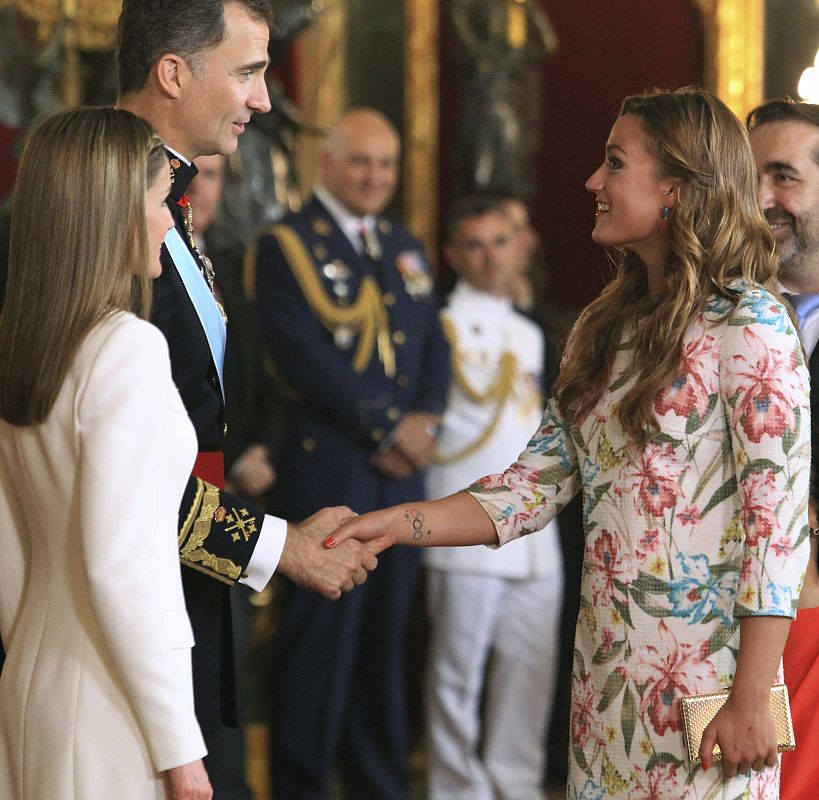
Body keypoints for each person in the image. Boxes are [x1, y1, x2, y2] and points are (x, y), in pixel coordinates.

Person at [326, 87, 811, 799]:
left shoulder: (753, 323)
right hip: (605, 693)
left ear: (673, 188)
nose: (592, 182)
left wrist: (749, 698)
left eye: (613, 163)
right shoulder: (602, 328)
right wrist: (392, 525)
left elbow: (777, 529)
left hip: (710, 700)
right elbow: (527, 489)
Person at [116, 3, 376, 796]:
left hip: (189, 584)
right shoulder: (108, 213)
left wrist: (278, 537)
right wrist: (280, 548)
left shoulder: (173, 201)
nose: (263, 101)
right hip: (132, 611)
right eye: (249, 72)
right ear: (173, 73)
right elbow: (125, 478)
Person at [0, 107, 210, 800]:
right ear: (112, 211)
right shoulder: (125, 347)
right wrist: (179, 747)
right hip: (113, 706)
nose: (167, 222)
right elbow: (124, 568)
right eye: (158, 201)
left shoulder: (20, 344)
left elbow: (8, 551)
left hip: (32, 682)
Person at [252, 107, 451, 799]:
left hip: (401, 483)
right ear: (326, 164)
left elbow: (433, 342)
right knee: (318, 652)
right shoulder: (285, 244)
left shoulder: (403, 243)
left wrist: (426, 418)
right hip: (329, 473)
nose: (374, 177)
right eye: (360, 162)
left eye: (385, 164)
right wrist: (389, 428)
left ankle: (379, 786)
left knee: (385, 649)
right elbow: (298, 354)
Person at [424, 195, 563, 800]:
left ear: (518, 245)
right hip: (465, 524)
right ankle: (457, 789)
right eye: (475, 245)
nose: (489, 257)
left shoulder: (532, 332)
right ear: (453, 255)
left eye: (499, 242)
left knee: (529, 671)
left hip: (535, 537)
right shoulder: (440, 322)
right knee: (456, 676)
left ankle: (517, 782)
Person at [747, 98, 819, 800]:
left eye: (783, 176)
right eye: (750, 177)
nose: (761, 199)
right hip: (735, 623)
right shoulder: (708, 311)